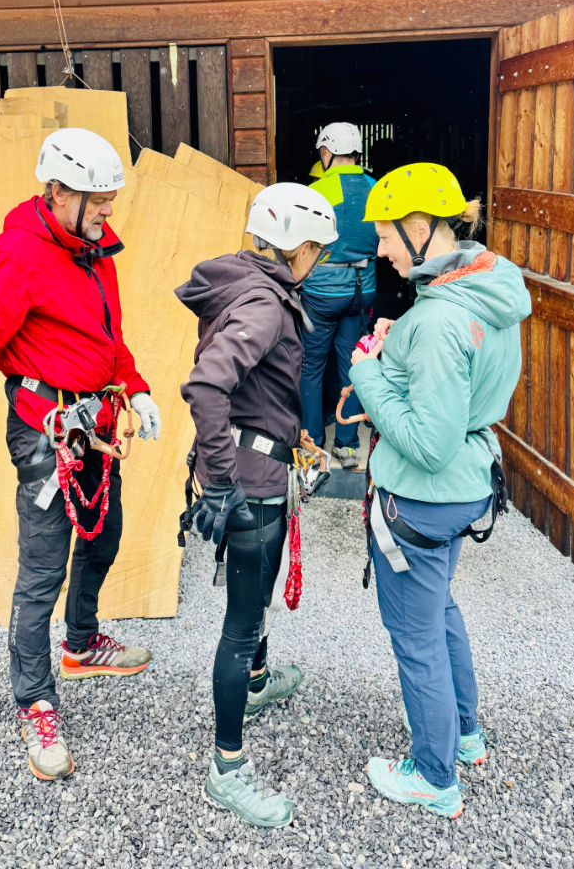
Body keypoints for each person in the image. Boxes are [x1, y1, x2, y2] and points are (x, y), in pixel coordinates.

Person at [0, 128, 162, 781]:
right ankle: (35, 700)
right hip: (46, 431)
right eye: (98, 200)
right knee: (42, 569)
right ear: (57, 192)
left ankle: (81, 644)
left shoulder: (93, 251)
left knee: (104, 535)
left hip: (96, 422)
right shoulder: (15, 258)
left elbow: (109, 340)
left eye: (110, 199)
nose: (109, 211)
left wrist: (136, 388)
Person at [348, 162, 530, 818]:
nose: (380, 251)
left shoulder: (436, 321)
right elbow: (461, 369)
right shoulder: (485, 288)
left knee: (415, 636)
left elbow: (428, 444)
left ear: (420, 227)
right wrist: (402, 343)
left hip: (423, 497)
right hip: (470, 483)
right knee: (441, 612)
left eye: (386, 236)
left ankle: (433, 776)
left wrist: (369, 374)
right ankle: (466, 733)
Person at [175, 182, 338, 828]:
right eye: (318, 249)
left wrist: (287, 433)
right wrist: (221, 482)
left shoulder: (245, 281)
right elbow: (207, 385)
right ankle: (227, 768)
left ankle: (259, 680)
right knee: (241, 624)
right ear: (298, 247)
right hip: (249, 480)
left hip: (258, 462)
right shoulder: (266, 305)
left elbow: (250, 386)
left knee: (257, 596)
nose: (319, 261)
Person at [300, 122, 378, 469]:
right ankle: (347, 446)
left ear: (326, 152)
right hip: (363, 292)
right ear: (357, 153)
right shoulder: (376, 189)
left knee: (311, 367)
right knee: (353, 365)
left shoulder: (317, 192)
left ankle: (312, 445)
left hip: (321, 294)